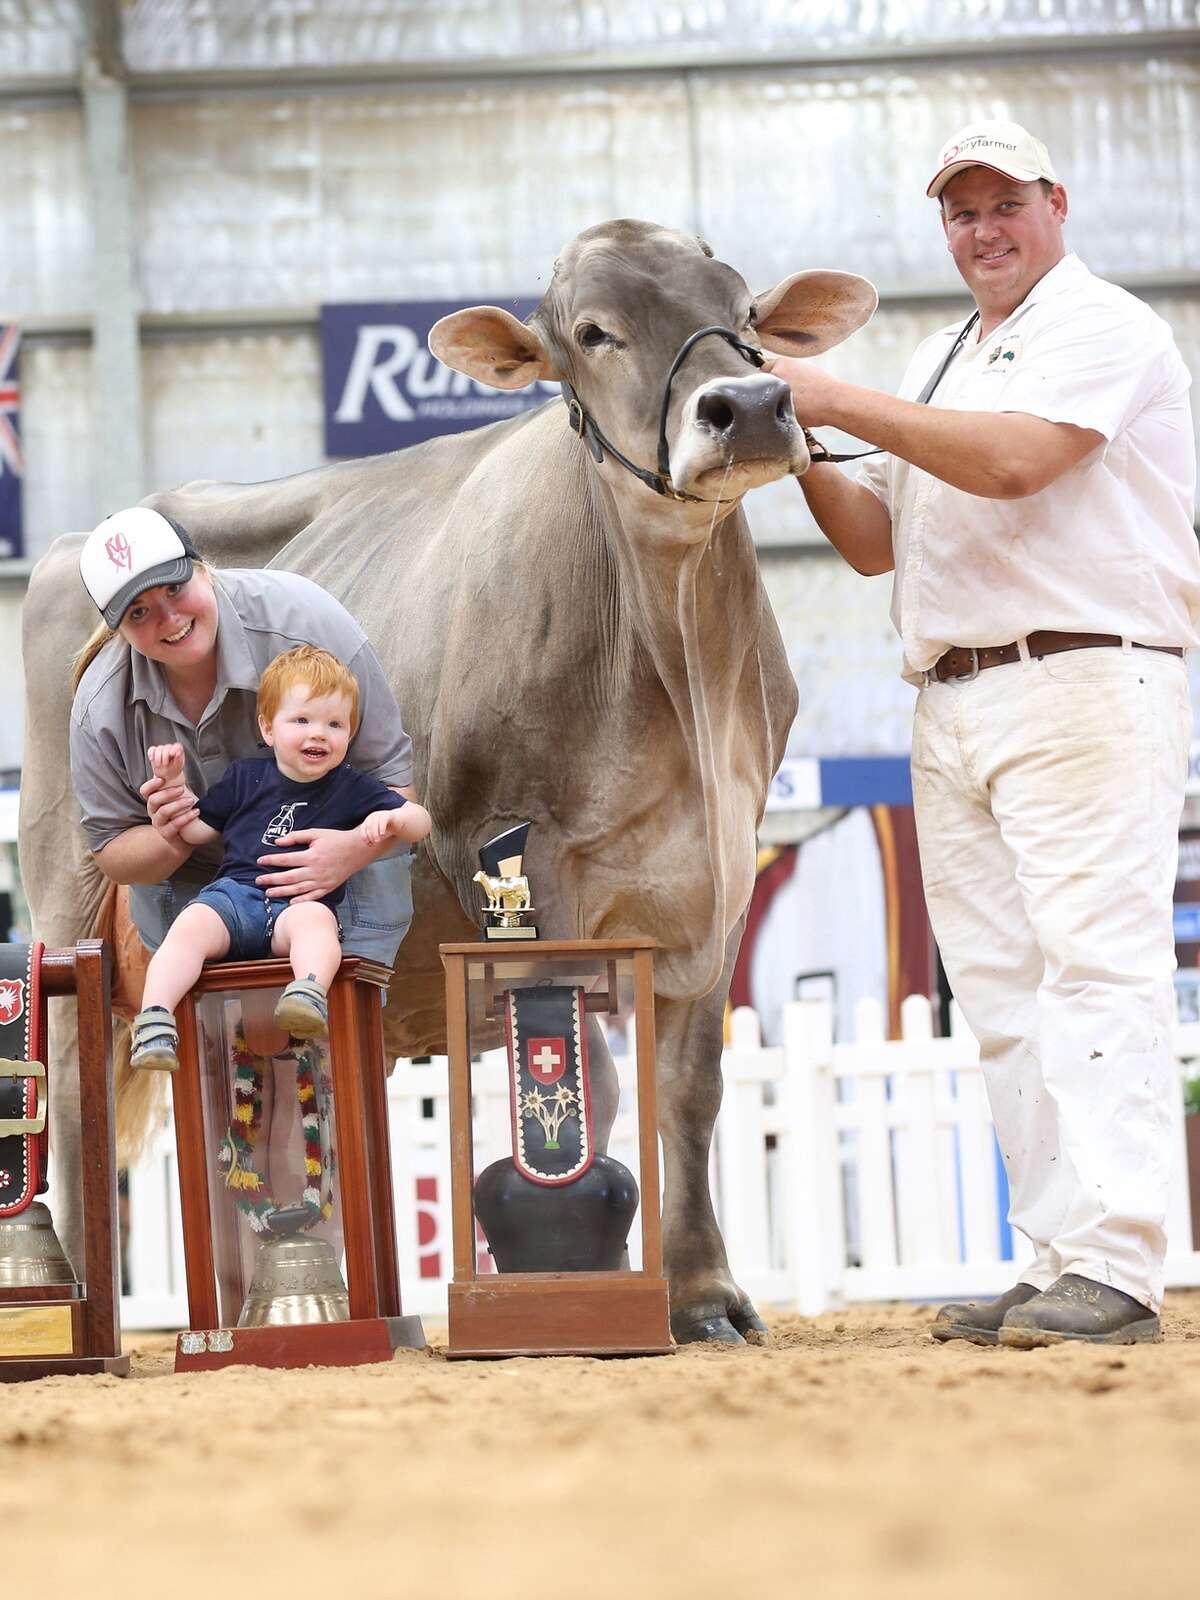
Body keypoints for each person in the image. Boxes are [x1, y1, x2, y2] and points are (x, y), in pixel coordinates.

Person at [770, 120, 1200, 1346]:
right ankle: (1064, 1251)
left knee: (1096, 969)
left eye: (1003, 201)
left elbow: (1017, 465)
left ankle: (1120, 1265)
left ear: (1055, 203)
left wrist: (837, 393)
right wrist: (796, 441)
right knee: (1006, 994)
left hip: (1081, 679)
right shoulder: (943, 352)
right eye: (960, 211)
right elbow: (872, 543)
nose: (983, 228)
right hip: (951, 693)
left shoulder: (1105, 325)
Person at [72, 505, 419, 970]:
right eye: (139, 611)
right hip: (197, 890)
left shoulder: (309, 625)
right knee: (217, 1040)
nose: (169, 617)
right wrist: (173, 834)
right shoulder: (100, 707)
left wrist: (353, 849)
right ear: (119, 629)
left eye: (175, 587)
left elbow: (397, 789)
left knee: (327, 1031)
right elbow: (112, 853)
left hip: (339, 878)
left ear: (203, 570)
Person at [130, 645, 433, 1071]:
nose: (318, 734)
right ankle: (155, 1019)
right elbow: (197, 830)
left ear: (350, 733)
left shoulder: (351, 786)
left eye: (335, 724)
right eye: (302, 720)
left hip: (298, 906)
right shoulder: (245, 777)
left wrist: (391, 819)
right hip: (234, 898)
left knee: (318, 925)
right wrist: (173, 783)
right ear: (268, 728)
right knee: (189, 926)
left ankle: (308, 992)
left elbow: (420, 821)